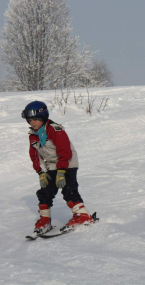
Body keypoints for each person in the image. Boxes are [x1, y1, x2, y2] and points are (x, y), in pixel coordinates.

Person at [21, 100, 93, 234]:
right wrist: (40, 172)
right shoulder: (33, 135)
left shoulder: (54, 129)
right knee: (45, 192)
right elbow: (35, 156)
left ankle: (83, 216)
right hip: (51, 167)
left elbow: (65, 150)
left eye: (35, 119)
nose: (32, 123)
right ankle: (45, 220)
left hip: (67, 164)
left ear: (43, 117)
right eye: (29, 120)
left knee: (68, 189)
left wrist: (61, 172)